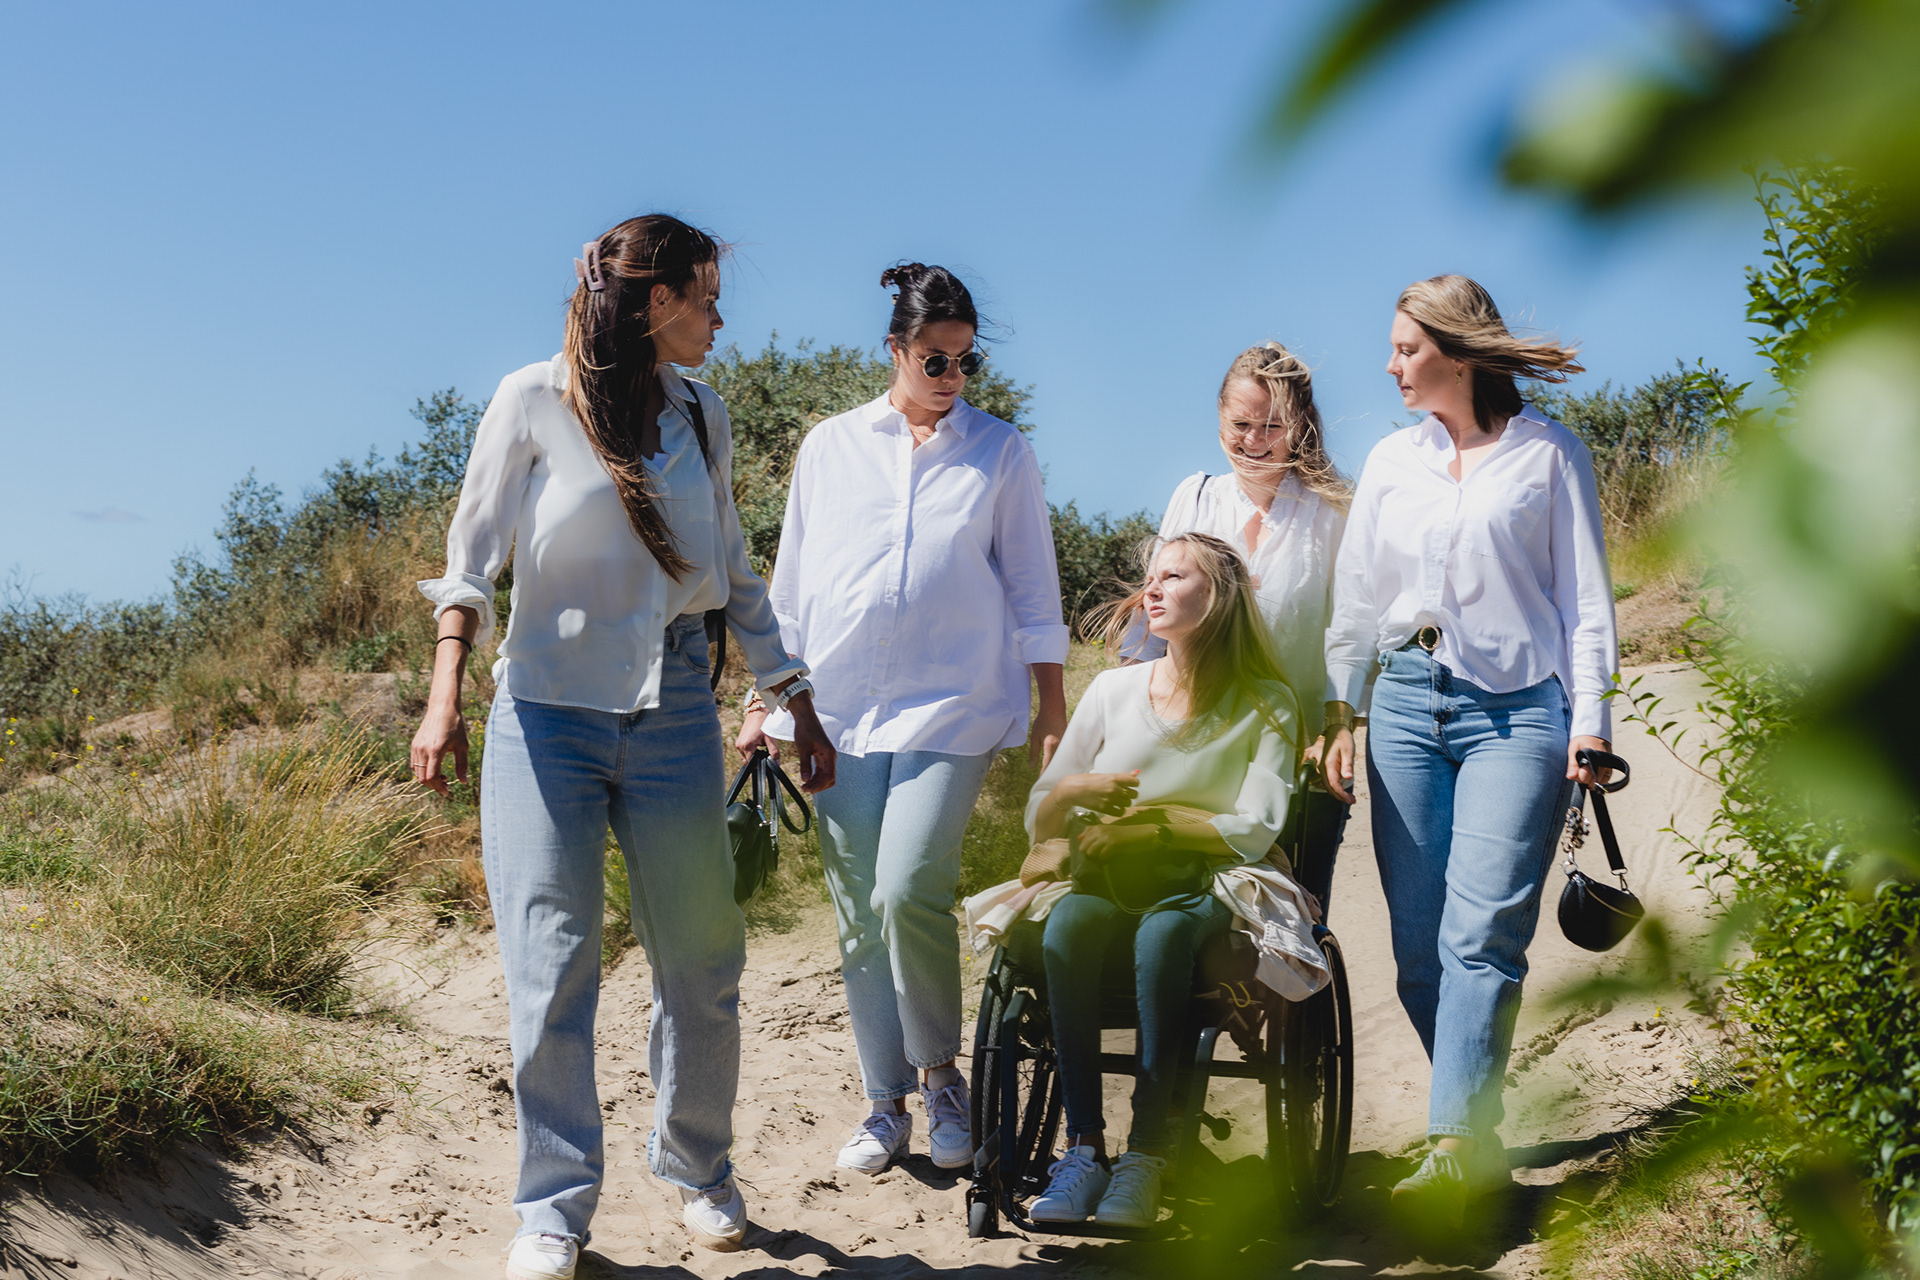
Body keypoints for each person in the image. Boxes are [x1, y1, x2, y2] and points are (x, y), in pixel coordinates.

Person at [409, 216, 836, 1279]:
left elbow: (734, 570)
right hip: (546, 712)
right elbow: (470, 563)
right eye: (706, 297)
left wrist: (794, 697)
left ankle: (696, 1163)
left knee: (703, 958)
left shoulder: (704, 415)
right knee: (552, 963)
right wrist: (443, 697)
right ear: (654, 302)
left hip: (677, 709)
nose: (720, 319)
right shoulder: (530, 398)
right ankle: (552, 1206)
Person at [742, 263, 1069, 1177]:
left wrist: (1051, 704)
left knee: (907, 887)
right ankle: (882, 1103)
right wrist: (767, 702)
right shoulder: (830, 447)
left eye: (967, 362)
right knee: (856, 913)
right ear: (895, 349)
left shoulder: (1001, 452)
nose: (952, 378)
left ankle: (942, 1078)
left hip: (954, 707)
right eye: (935, 360)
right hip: (834, 711)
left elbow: (1033, 590)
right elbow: (794, 588)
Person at [1320, 275, 1618, 1229]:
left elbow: (1587, 602)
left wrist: (1592, 723)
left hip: (1520, 715)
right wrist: (1343, 706)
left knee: (1480, 935)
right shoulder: (1390, 462)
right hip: (1407, 706)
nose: (1393, 364)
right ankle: (1479, 1135)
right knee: (1417, 955)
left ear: (1458, 351)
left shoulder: (1547, 456)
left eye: (1408, 348)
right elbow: (1359, 599)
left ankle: (1452, 1150)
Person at [1024, 533, 1298, 1228]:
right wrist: (1077, 786)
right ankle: (1083, 1149)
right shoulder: (1114, 691)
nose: (1152, 589)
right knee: (1066, 929)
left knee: (1166, 938)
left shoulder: (1267, 703)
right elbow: (1043, 808)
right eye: (1151, 577)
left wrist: (1154, 827)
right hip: (1104, 877)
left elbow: (1257, 824)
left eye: (1174, 577)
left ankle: (1147, 1155)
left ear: (1219, 596)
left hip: (1201, 883)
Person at [1136, 341, 1352, 911]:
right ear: (1219, 419)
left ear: (1300, 424)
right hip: (1195, 747)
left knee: (1293, 910)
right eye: (1241, 423)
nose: (1254, 441)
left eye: (1272, 425)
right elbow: (1154, 612)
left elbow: (1350, 630)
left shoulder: (1331, 515)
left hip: (1295, 754)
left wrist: (1337, 725)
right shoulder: (1196, 497)